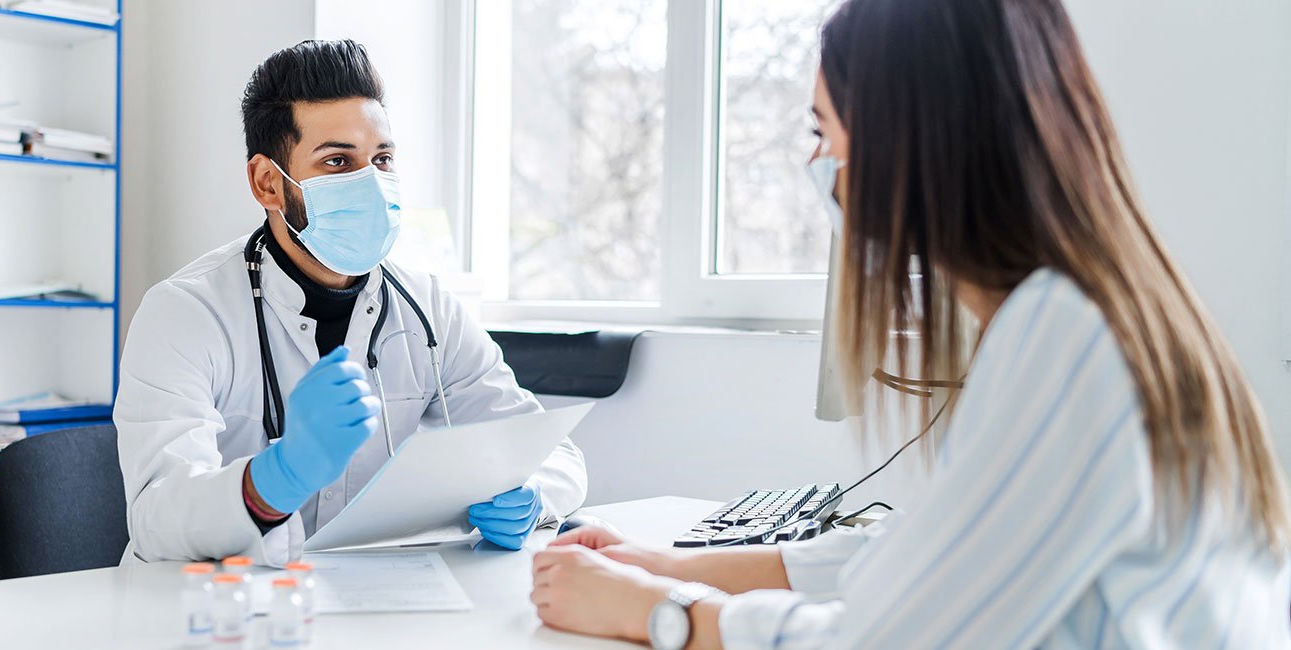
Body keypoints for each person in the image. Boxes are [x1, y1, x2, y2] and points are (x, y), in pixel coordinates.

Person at [529, 0, 1291, 647]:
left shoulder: (1063, 339)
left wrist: (661, 614)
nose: (819, 163)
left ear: (911, 138)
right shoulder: (1090, 314)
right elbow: (925, 557)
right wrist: (666, 566)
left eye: (824, 131)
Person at [115, 40, 587, 565]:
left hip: (372, 600)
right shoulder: (184, 314)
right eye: (338, 161)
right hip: (211, 608)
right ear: (268, 183)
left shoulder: (429, 308)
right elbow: (156, 520)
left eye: (381, 159)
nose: (371, 183)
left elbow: (549, 451)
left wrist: (535, 494)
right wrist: (278, 477)